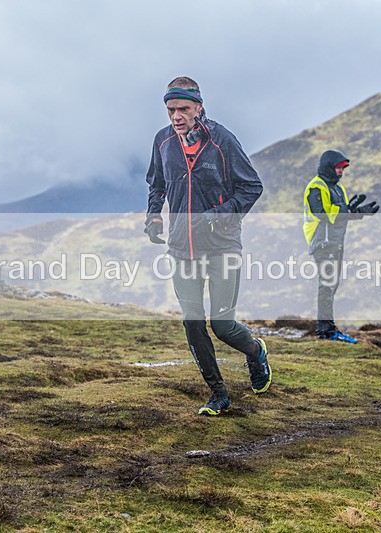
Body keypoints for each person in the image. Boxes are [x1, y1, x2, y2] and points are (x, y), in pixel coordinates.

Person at [144, 76, 271, 416]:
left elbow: (251, 187)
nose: (176, 116)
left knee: (223, 324)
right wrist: (154, 216)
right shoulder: (162, 142)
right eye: (170, 110)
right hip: (180, 248)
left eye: (183, 109)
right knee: (192, 321)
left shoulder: (222, 141)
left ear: (199, 106)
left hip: (221, 246)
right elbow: (155, 185)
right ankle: (218, 393)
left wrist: (217, 216)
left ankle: (255, 351)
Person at [303, 149, 379, 343]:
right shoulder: (316, 187)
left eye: (342, 168)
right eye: (338, 168)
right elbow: (323, 215)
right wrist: (350, 208)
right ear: (329, 166)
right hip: (323, 242)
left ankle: (328, 328)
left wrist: (359, 211)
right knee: (327, 285)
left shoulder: (338, 188)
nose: (341, 172)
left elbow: (340, 215)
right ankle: (326, 331)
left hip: (336, 243)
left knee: (332, 285)